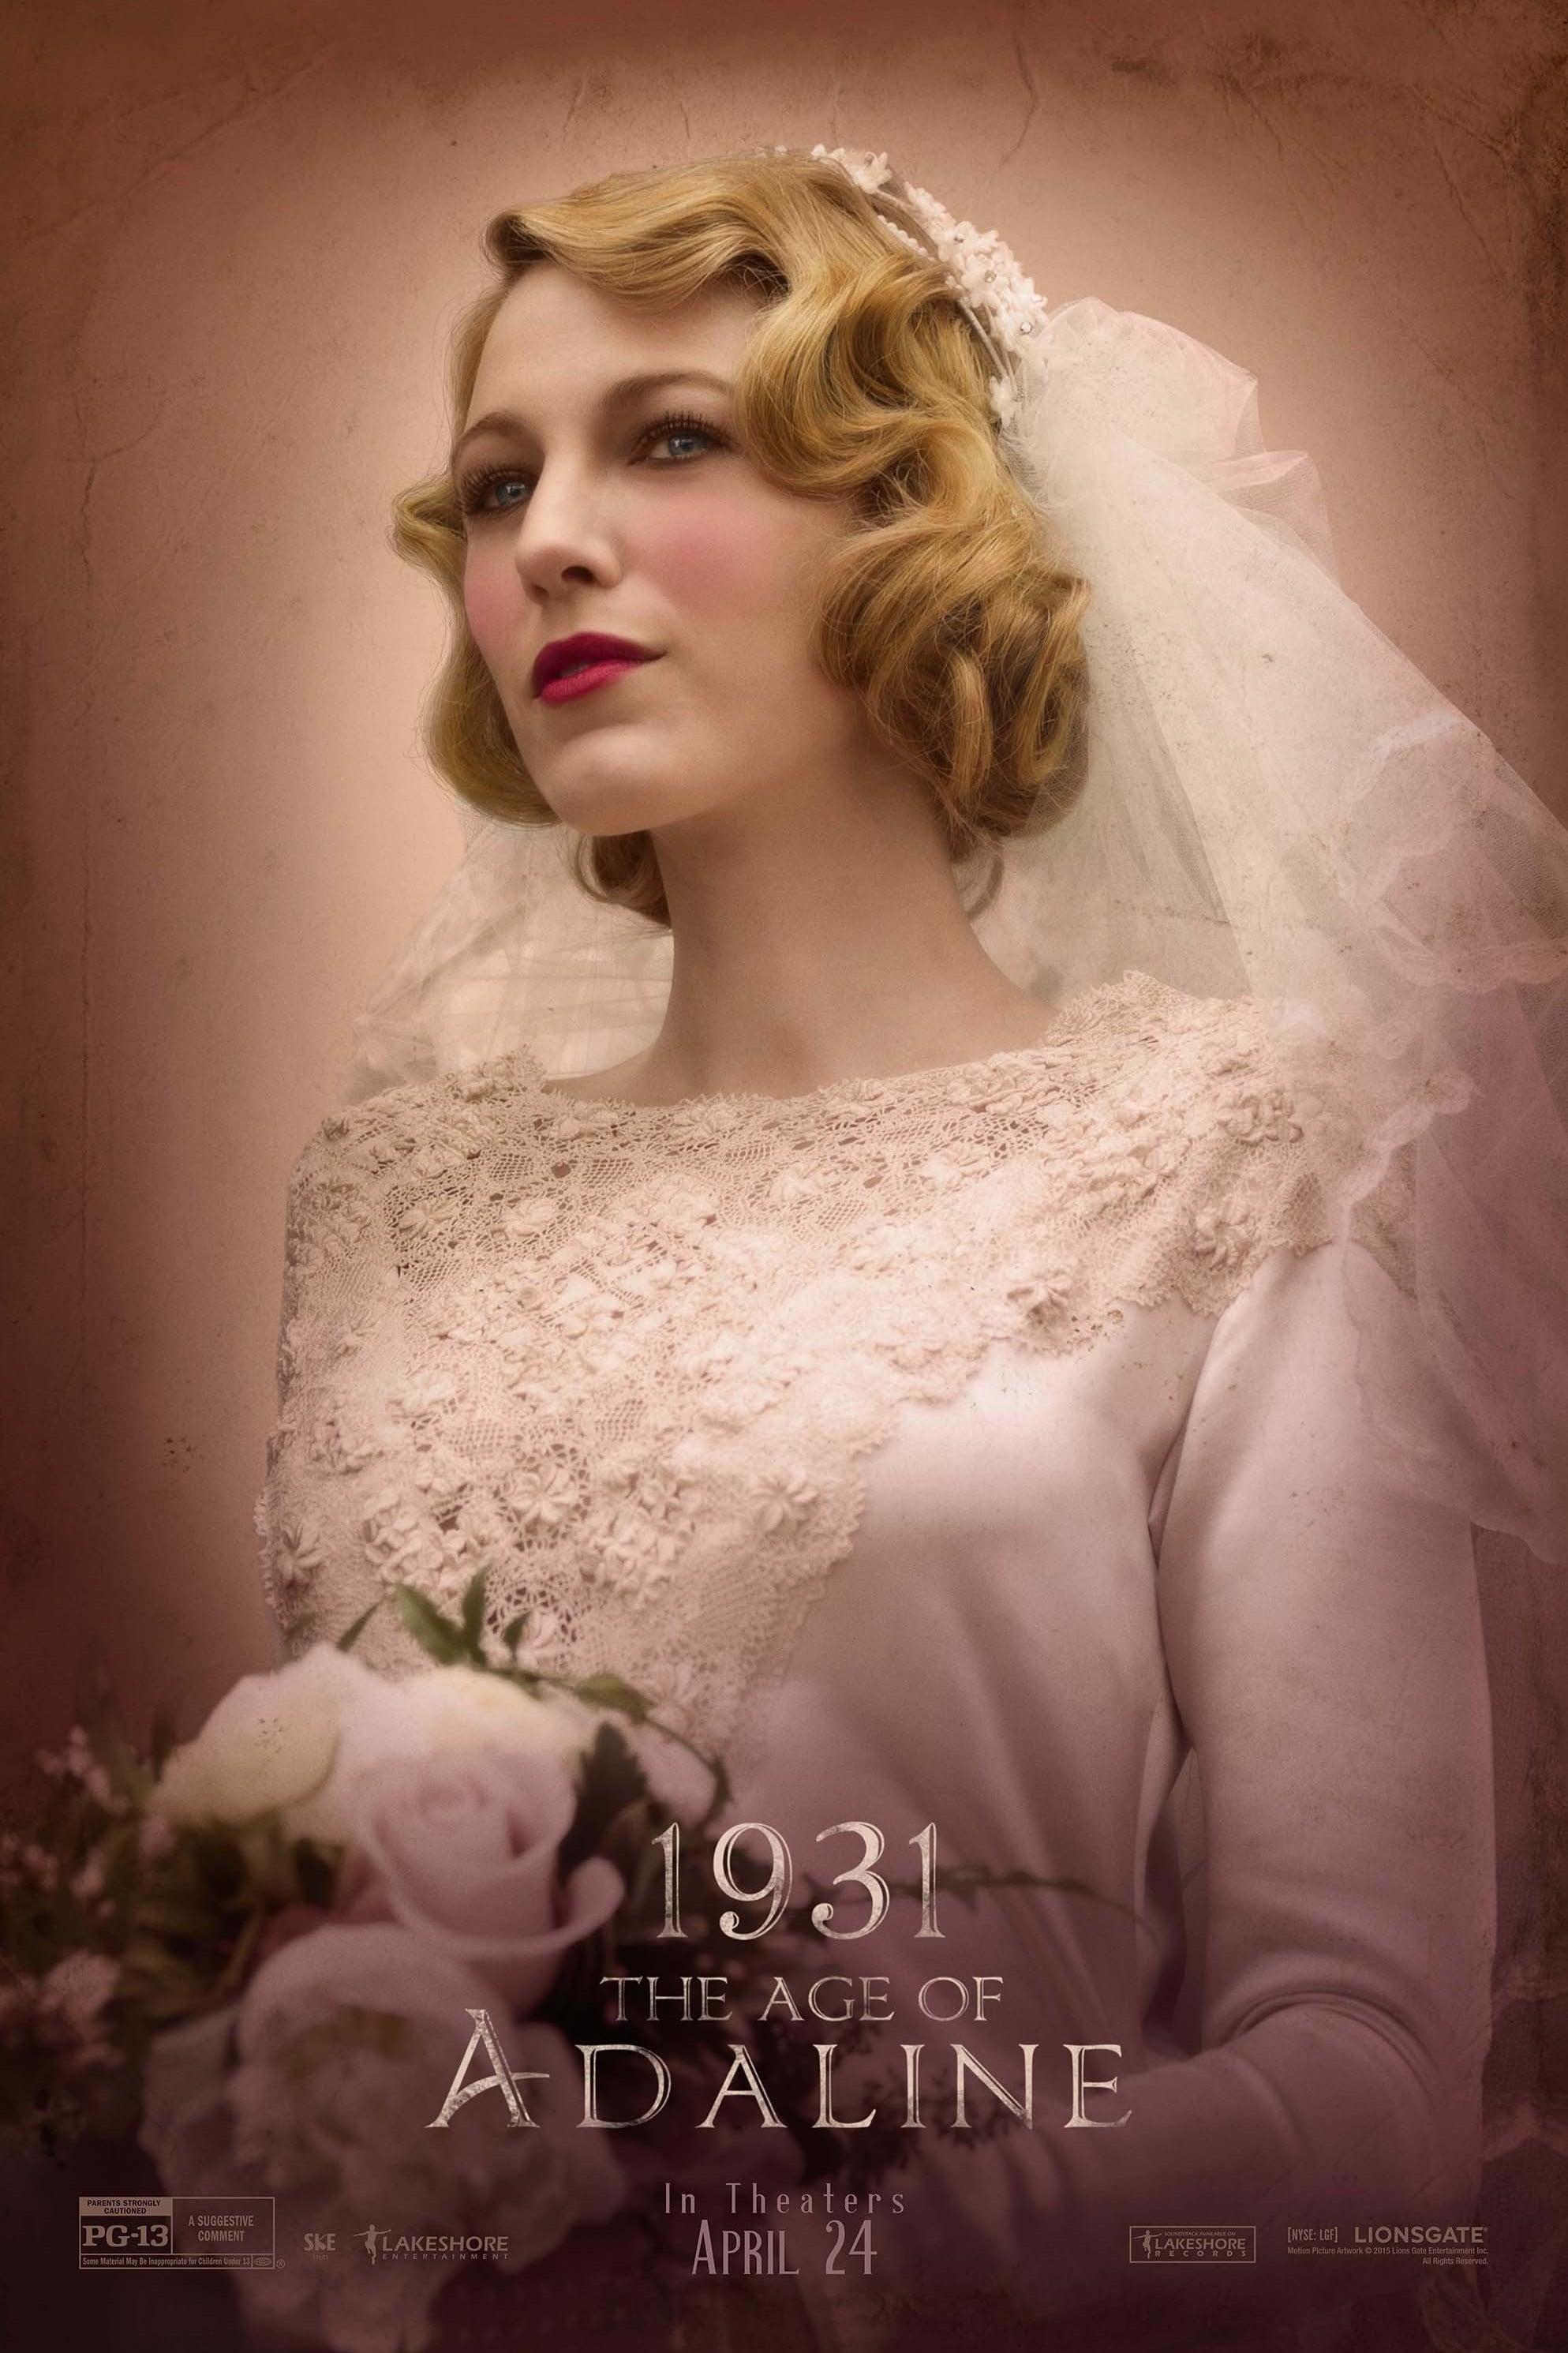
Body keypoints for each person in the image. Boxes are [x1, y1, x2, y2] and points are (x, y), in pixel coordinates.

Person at [254, 146, 1568, 2351]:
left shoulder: (1242, 1160)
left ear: (918, 517)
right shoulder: (383, 1207)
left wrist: (849, 2252)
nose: (545, 535)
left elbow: (1371, 2084)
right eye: (494, 484)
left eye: (672, 439)